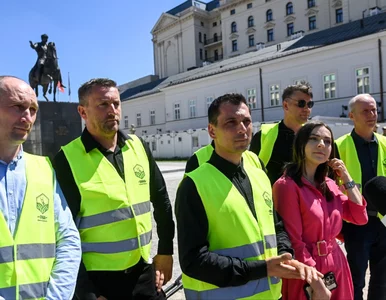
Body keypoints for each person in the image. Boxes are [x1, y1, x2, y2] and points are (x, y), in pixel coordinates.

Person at [175, 94, 323, 300]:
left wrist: (285, 254)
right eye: (231, 123)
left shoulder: (257, 171)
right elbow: (193, 261)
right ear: (212, 131)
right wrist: (262, 269)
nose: (242, 129)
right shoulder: (194, 185)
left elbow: (275, 224)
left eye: (246, 121)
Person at [52, 78, 175, 300]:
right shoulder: (66, 160)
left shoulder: (138, 147)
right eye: (103, 105)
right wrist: (88, 293)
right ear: (83, 111)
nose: (112, 111)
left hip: (144, 271)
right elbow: (60, 234)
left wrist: (165, 250)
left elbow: (162, 200)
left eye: (116, 104)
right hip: (101, 282)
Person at [0, 76, 81, 299]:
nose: (27, 117)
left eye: (33, 109)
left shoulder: (44, 168)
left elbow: (68, 240)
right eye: (17, 107)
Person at [273, 121, 368, 300]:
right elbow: (294, 241)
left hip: (337, 264)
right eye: (314, 139)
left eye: (327, 141)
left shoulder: (330, 185)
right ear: (301, 144)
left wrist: (346, 177)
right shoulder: (286, 186)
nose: (321, 145)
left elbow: (359, 217)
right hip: (306, 269)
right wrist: (316, 282)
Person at [335, 94, 386, 300]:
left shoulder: (384, 143)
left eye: (374, 110)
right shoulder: (339, 146)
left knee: (382, 280)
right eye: (365, 111)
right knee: (355, 278)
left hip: (383, 221)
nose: (372, 115)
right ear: (352, 116)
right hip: (355, 222)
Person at [250, 81, 313, 184]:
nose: (307, 109)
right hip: (272, 198)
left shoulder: (313, 136)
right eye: (301, 103)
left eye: (310, 104)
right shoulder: (263, 136)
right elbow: (250, 171)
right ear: (285, 105)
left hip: (306, 198)